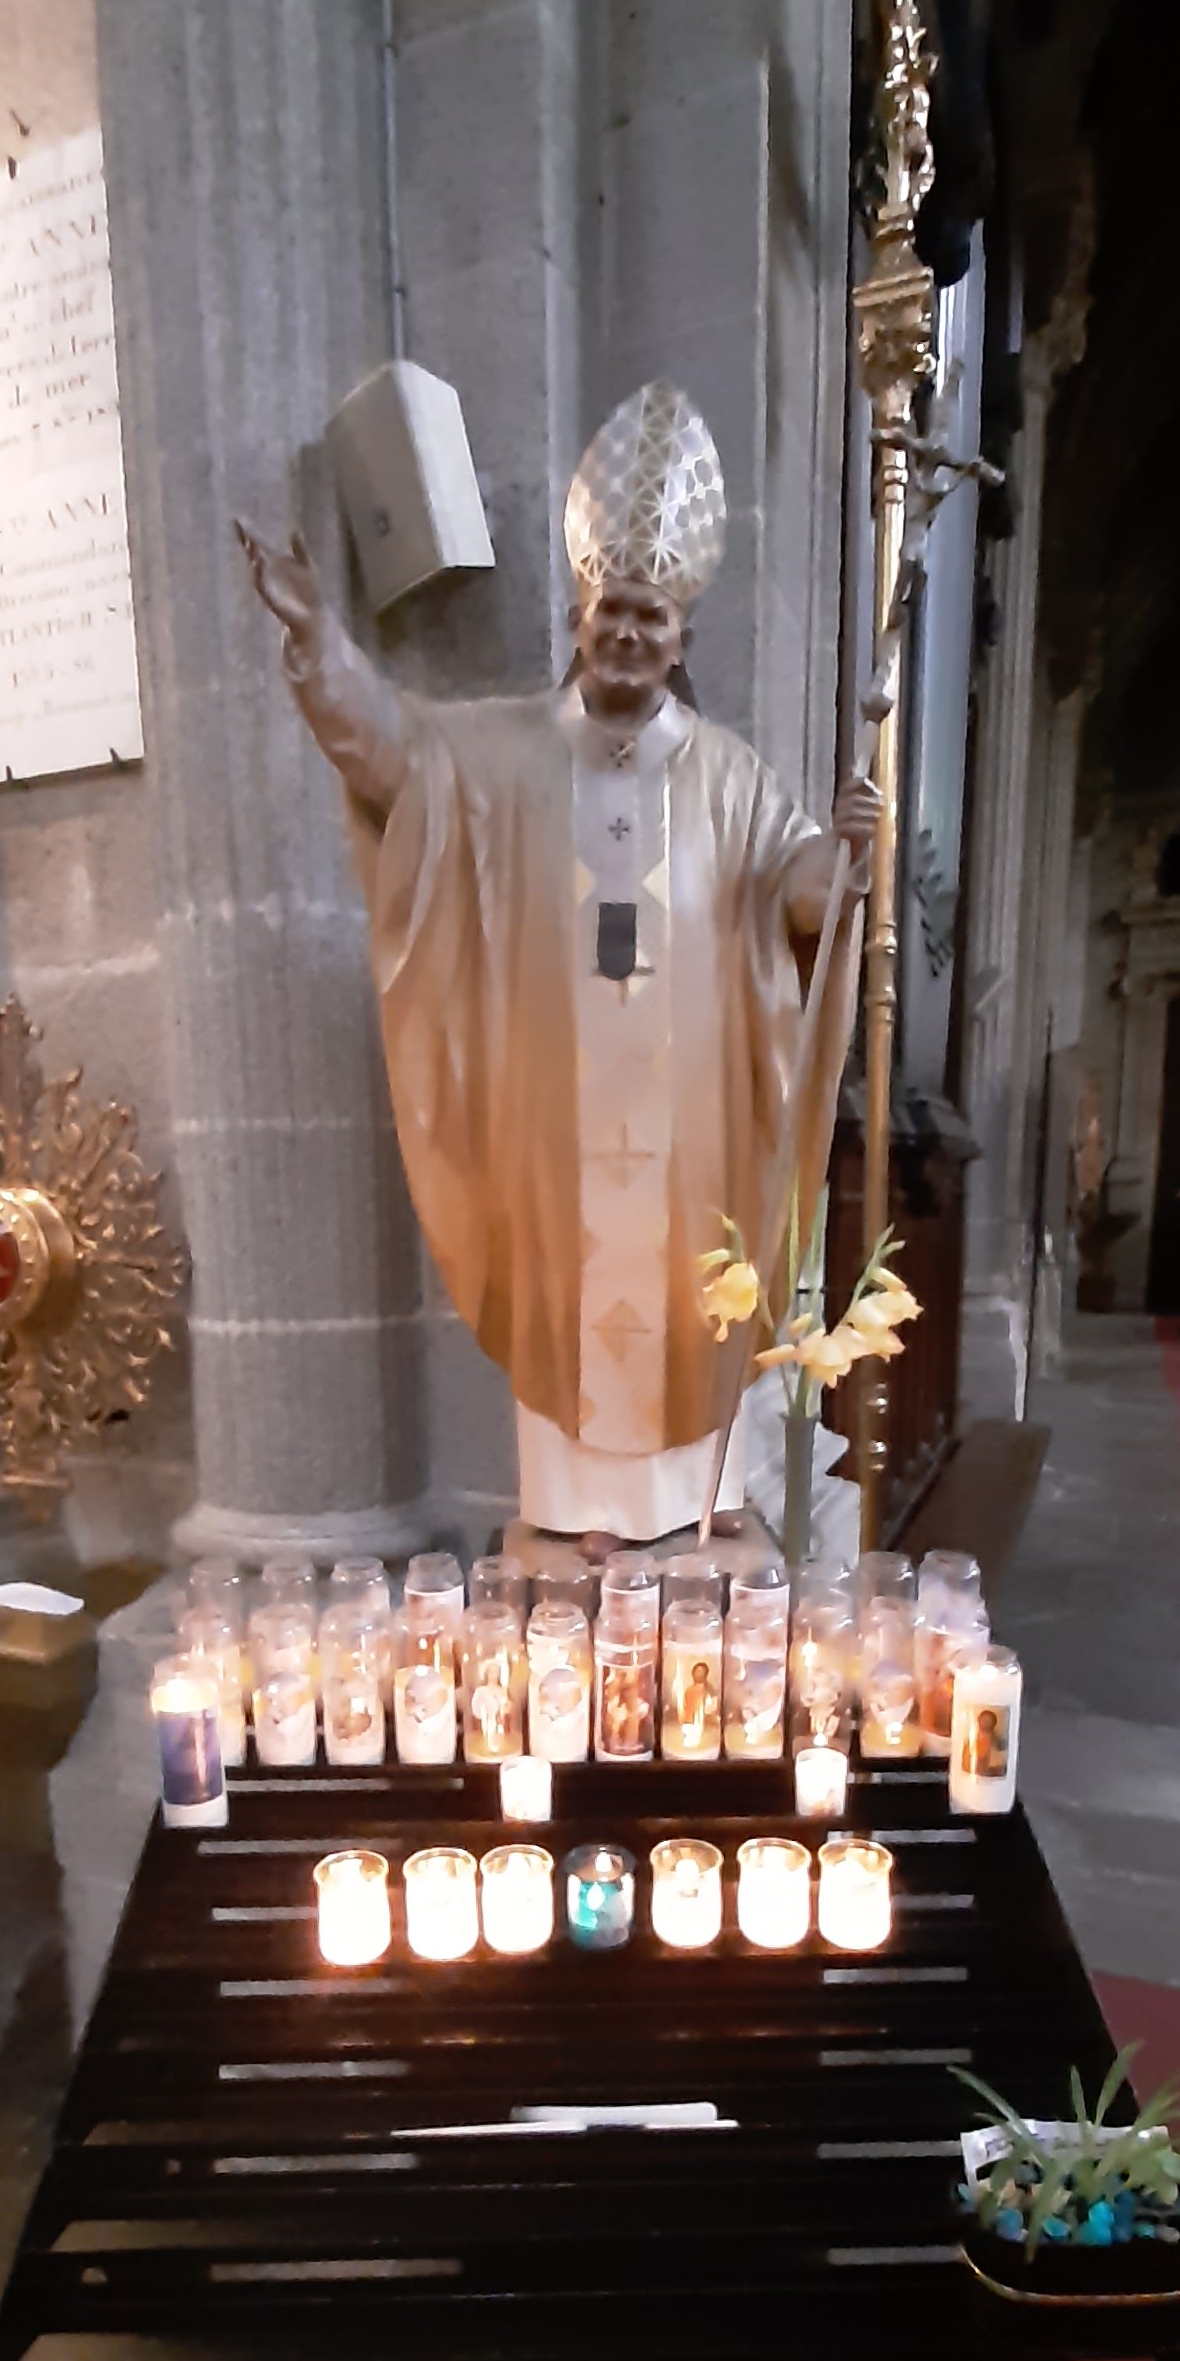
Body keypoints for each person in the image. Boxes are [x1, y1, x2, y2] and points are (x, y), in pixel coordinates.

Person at [239, 382, 878, 1538]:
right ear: (581, 615)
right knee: (568, 1300)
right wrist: (319, 645)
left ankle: (690, 1505)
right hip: (557, 1116)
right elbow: (390, 750)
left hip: (690, 1125)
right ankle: (578, 1510)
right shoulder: (501, 752)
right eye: (611, 610)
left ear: (681, 638)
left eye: (652, 618)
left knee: (687, 1303)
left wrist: (843, 857)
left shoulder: (730, 776)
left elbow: (796, 889)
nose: (628, 633)